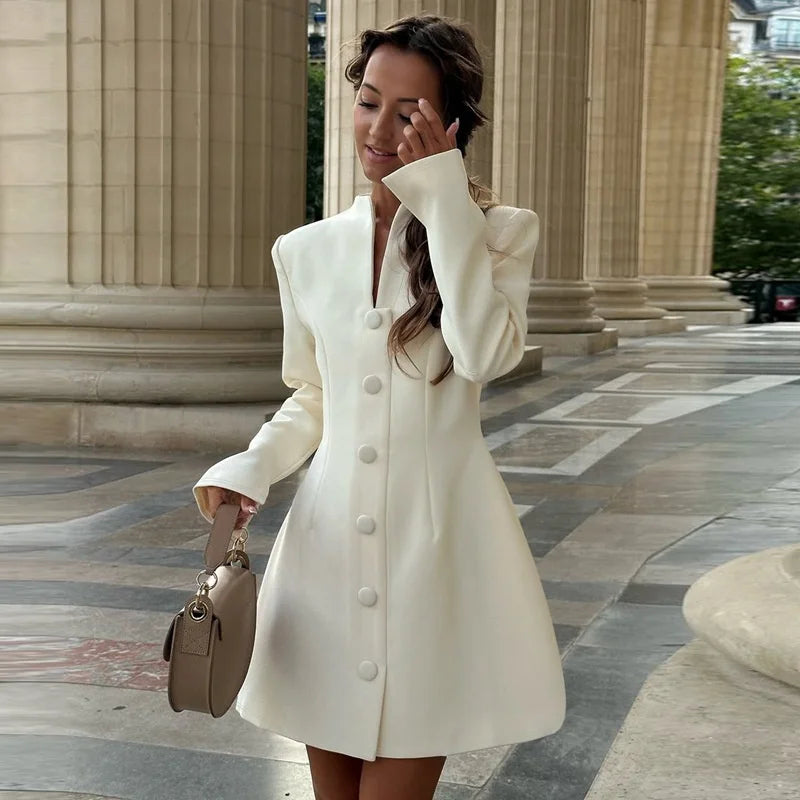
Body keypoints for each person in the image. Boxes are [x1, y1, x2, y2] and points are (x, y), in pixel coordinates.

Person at [192, 14, 566, 800]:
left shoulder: (499, 232)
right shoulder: (304, 250)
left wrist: (443, 199)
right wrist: (251, 466)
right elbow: (315, 392)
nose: (380, 129)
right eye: (369, 102)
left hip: (436, 554)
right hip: (324, 555)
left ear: (451, 127)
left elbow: (485, 355)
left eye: (409, 112)